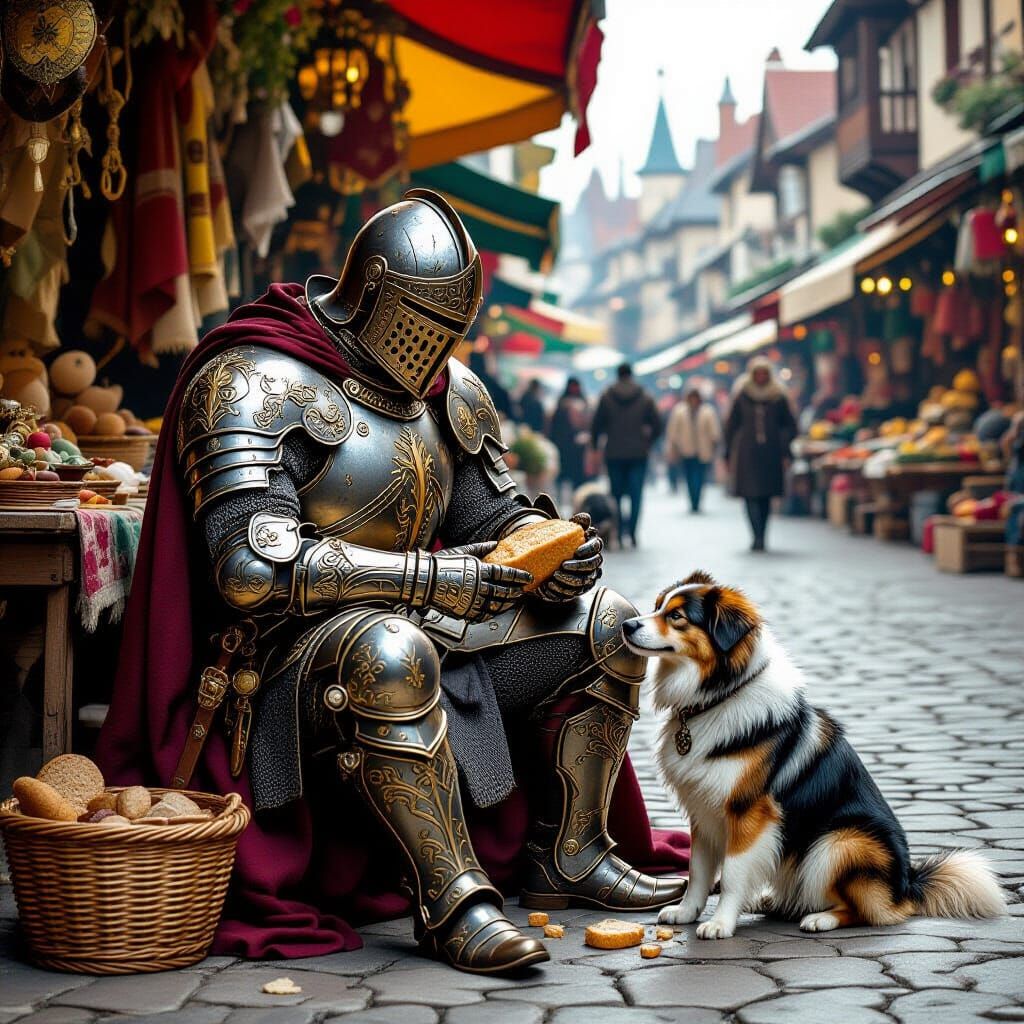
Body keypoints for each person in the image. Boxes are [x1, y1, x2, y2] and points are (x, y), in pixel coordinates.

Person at [97, 190, 687, 977]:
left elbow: (492, 515)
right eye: (422, 321)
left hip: (433, 623)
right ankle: (453, 900)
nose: (435, 346)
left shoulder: (451, 392)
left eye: (450, 328)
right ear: (372, 293)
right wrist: (434, 579)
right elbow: (249, 570)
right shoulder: (255, 380)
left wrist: (549, 552)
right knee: (390, 649)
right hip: (288, 663)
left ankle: (573, 852)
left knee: (609, 622)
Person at [725, 356, 797, 551]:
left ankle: (762, 534)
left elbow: (790, 425)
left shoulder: (778, 396)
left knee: (765, 496)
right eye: (757, 373)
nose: (761, 377)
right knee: (749, 494)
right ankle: (755, 534)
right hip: (747, 453)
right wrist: (728, 452)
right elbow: (731, 425)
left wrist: (784, 446)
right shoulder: (743, 395)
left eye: (764, 373)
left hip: (771, 453)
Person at [592, 363, 662, 547]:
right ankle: (632, 532)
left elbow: (596, 425)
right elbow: (658, 425)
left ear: (617, 375)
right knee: (636, 495)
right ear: (631, 375)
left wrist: (595, 446)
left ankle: (619, 530)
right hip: (638, 453)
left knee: (616, 495)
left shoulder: (607, 396)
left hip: (614, 453)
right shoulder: (645, 397)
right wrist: (647, 442)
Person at [666, 386, 721, 513]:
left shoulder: (708, 411)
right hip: (686, 450)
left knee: (700, 477)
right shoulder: (680, 411)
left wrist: (714, 446)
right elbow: (673, 431)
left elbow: (714, 431)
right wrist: (673, 448)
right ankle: (693, 501)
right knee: (689, 476)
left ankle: (697, 500)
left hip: (703, 450)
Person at [548, 377, 591, 504]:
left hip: (576, 448)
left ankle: (576, 501)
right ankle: (562, 502)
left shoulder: (577, 403)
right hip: (565, 446)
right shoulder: (563, 404)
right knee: (563, 477)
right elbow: (554, 427)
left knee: (575, 478)